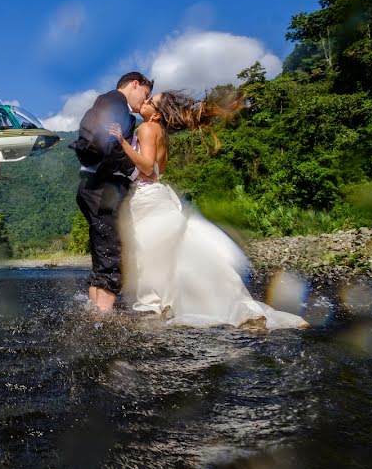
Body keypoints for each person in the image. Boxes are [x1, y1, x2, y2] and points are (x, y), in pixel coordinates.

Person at [108, 90, 309, 330]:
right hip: (159, 194)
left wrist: (121, 142)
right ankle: (179, 301)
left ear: (158, 115)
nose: (146, 102)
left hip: (146, 196)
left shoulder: (146, 129)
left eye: (152, 101)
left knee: (148, 253)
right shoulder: (161, 133)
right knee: (169, 254)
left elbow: (148, 168)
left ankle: (156, 305)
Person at [71, 72, 154, 313]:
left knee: (101, 250)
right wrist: (133, 171)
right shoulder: (116, 104)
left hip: (91, 185)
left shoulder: (105, 102)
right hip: (103, 187)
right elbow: (109, 143)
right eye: (145, 94)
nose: (144, 101)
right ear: (135, 85)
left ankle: (94, 311)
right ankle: (104, 321)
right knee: (111, 252)